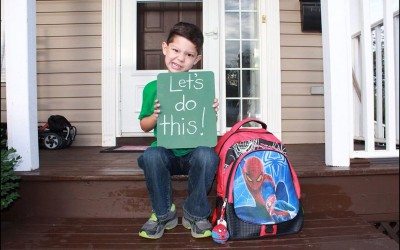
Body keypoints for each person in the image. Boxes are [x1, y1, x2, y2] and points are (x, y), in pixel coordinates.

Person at [137, 22, 219, 239]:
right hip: (166, 153)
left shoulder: (201, 87)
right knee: (151, 155)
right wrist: (155, 115)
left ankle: (195, 213)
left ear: (196, 60)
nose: (180, 58)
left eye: (188, 54)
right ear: (165, 48)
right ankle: (164, 214)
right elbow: (144, 126)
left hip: (193, 154)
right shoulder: (153, 88)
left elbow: (206, 127)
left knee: (208, 154)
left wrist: (211, 110)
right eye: (175, 50)